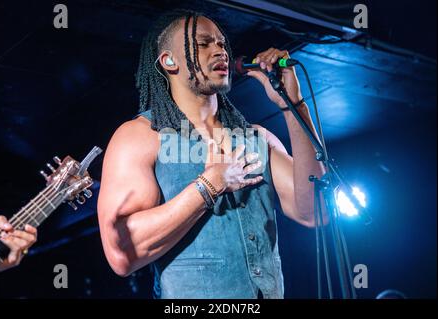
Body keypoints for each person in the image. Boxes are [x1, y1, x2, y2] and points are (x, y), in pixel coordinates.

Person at [97, 9, 325, 298]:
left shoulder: (257, 138)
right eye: (203, 44)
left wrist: (293, 106)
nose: (220, 50)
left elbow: (314, 213)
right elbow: (122, 254)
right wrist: (210, 185)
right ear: (169, 61)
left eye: (221, 43)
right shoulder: (141, 136)